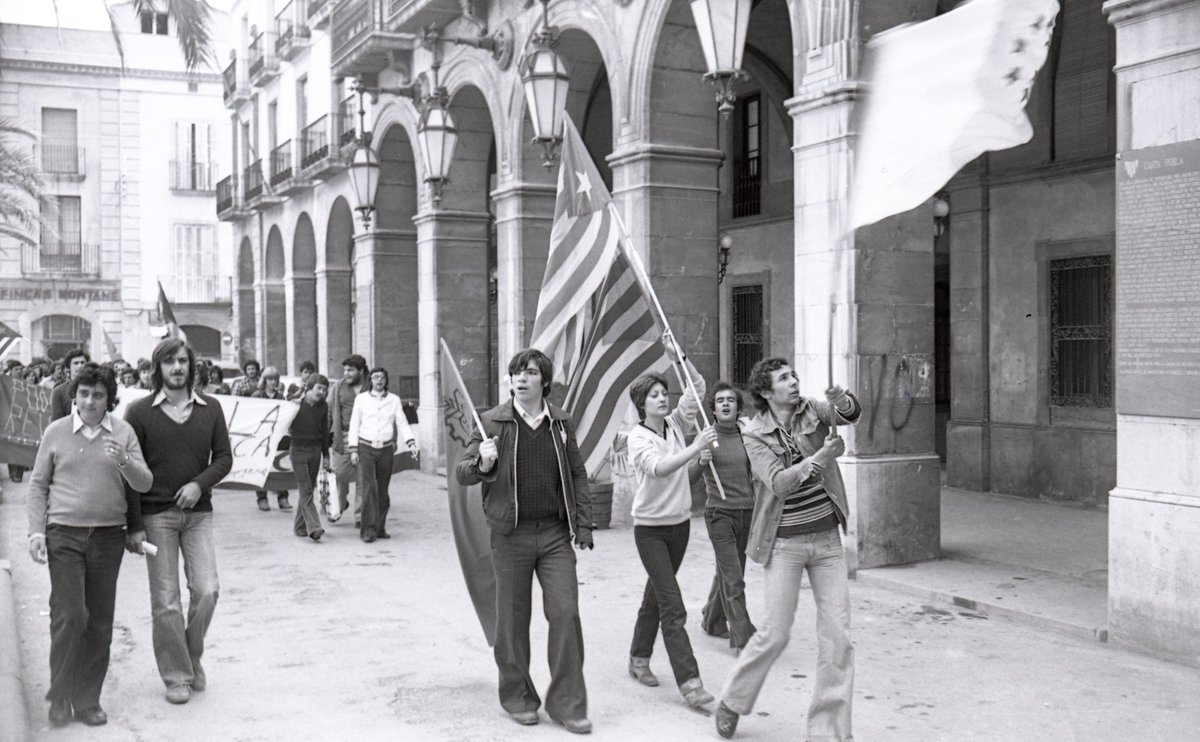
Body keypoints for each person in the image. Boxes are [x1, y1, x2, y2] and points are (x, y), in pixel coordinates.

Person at [714, 357, 861, 741]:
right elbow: (778, 483)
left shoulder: (812, 409)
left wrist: (841, 398)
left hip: (827, 540)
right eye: (784, 379)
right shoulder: (754, 433)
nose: (794, 382)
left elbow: (850, 414)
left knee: (838, 638)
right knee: (776, 632)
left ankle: (828, 732)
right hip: (784, 544)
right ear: (766, 391)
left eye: (794, 376)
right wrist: (820, 459)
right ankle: (733, 699)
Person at [455, 348, 594, 734]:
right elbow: (463, 473)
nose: (521, 378)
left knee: (566, 613)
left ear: (544, 381)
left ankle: (568, 703)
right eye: (516, 372)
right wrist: (483, 463)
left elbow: (577, 474)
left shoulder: (560, 423)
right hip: (509, 535)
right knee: (512, 622)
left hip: (553, 535)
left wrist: (583, 524)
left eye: (530, 372)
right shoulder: (491, 423)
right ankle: (518, 697)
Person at [27, 365, 152, 727]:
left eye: (98, 395)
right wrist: (36, 532)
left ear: (108, 398)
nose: (90, 401)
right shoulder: (56, 432)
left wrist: (125, 460)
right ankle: (60, 695)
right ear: (74, 396)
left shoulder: (124, 432)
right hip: (63, 535)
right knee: (69, 614)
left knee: (98, 621)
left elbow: (143, 483)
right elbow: (37, 485)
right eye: (84, 393)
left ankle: (87, 700)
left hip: (108, 536)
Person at [123, 338, 233, 706]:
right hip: (156, 518)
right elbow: (130, 473)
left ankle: (191, 653)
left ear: (192, 365)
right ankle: (176, 675)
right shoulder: (138, 413)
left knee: (207, 590)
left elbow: (223, 459)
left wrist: (198, 483)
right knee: (166, 601)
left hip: (198, 514)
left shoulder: (211, 408)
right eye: (169, 362)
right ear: (158, 369)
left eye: (183, 361)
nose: (177, 368)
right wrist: (134, 525)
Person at [624, 335, 717, 710]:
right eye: (655, 395)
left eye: (665, 392)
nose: (663, 398)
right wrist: (695, 449)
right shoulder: (637, 437)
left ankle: (638, 658)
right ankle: (691, 683)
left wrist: (677, 357)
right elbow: (659, 469)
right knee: (673, 606)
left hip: (679, 526)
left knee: (656, 596)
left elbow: (697, 387)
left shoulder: (677, 423)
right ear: (642, 404)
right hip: (650, 530)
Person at [694, 382, 757, 652]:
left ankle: (712, 619)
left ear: (738, 407)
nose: (726, 404)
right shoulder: (706, 437)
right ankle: (744, 638)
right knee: (733, 577)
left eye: (731, 400)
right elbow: (687, 480)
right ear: (714, 409)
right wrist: (700, 461)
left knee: (731, 570)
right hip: (720, 514)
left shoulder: (747, 436)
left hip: (747, 513)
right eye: (720, 401)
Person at [347, 366, 417, 542]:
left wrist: (411, 442)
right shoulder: (361, 399)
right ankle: (368, 531)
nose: (379, 380)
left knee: (383, 490)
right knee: (370, 488)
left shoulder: (394, 400)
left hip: (386, 449)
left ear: (386, 380)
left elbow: (401, 423)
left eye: (382, 377)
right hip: (365, 448)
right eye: (375, 377)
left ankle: (379, 528)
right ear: (370, 380)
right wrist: (353, 449)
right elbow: (354, 424)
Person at [288, 373, 331, 541]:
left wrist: (326, 455)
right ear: (309, 388)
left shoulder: (323, 406)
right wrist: (294, 399)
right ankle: (314, 527)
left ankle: (299, 527)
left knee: (308, 490)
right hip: (298, 451)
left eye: (324, 390)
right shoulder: (294, 403)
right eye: (319, 388)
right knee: (305, 489)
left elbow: (325, 431)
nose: (321, 392)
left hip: (315, 451)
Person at [327, 354, 368, 523]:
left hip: (366, 437)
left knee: (362, 478)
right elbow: (328, 411)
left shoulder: (371, 387)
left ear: (361, 371)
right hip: (342, 436)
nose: (346, 373)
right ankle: (341, 503)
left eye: (350, 370)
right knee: (340, 474)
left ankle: (360, 516)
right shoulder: (338, 387)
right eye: (344, 370)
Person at [251, 366, 291, 512]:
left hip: (277, 437)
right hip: (261, 437)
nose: (273, 382)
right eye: (270, 379)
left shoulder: (281, 397)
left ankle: (283, 497)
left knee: (280, 466)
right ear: (264, 380)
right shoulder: (256, 395)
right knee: (261, 468)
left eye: (275, 379)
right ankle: (262, 498)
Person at [50, 349, 91, 420]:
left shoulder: (94, 388)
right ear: (68, 367)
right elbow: (56, 422)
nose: (80, 366)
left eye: (82, 362)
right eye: (76, 363)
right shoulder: (59, 392)